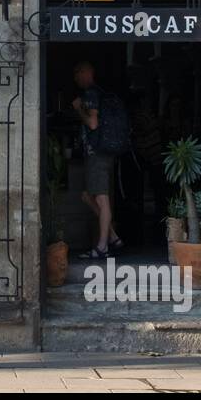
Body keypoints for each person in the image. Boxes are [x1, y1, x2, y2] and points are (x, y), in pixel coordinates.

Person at [71, 61, 125, 259]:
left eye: (77, 72)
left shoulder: (92, 94)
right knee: (88, 196)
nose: (75, 77)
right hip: (102, 153)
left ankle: (102, 247)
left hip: (97, 153)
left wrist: (78, 109)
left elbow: (92, 123)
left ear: (87, 72)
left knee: (101, 200)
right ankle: (113, 237)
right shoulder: (100, 92)